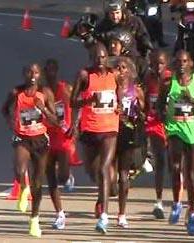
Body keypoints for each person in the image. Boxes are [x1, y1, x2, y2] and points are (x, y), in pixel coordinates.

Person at [158, 50, 194, 235]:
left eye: (185, 61)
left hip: (193, 134)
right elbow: (158, 105)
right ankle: (176, 202)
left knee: (191, 175)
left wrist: (193, 101)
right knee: (174, 167)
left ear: (191, 64)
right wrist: (164, 115)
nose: (181, 64)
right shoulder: (167, 83)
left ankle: (192, 211)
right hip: (175, 131)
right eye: (178, 61)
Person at [1, 63, 59, 237]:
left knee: (38, 183)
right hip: (22, 138)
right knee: (20, 170)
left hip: (41, 141)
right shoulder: (16, 93)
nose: (32, 75)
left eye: (35, 72)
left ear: (39, 74)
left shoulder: (46, 93)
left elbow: (56, 121)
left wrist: (44, 109)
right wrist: (10, 121)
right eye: (29, 72)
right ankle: (23, 187)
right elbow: (4, 109)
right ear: (24, 74)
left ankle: (34, 219)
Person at [69, 43, 119, 234]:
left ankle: (104, 216)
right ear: (91, 58)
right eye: (97, 57)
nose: (101, 61)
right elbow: (72, 102)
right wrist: (87, 101)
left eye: (104, 57)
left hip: (110, 128)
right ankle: (103, 194)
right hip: (89, 129)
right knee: (92, 169)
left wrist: (121, 106)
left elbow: (120, 94)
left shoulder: (114, 75)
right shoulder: (84, 75)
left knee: (105, 168)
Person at [43, 59, 82, 230]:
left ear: (57, 71)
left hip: (64, 136)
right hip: (47, 137)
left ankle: (68, 177)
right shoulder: (41, 92)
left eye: (53, 69)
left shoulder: (65, 88)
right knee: (51, 177)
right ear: (44, 72)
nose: (50, 73)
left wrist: (75, 125)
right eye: (48, 70)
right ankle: (59, 214)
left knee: (62, 176)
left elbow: (77, 105)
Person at [114, 57, 146, 227]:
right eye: (117, 67)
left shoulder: (136, 90)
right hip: (110, 132)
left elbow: (143, 114)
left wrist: (139, 112)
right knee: (106, 172)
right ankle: (102, 205)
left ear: (129, 71)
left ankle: (121, 214)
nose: (120, 71)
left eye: (123, 67)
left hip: (128, 133)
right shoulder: (110, 88)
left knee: (124, 174)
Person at [144, 50, 172, 219]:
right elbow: (146, 99)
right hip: (155, 124)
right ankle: (159, 201)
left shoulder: (172, 79)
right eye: (155, 64)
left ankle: (178, 200)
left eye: (161, 63)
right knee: (160, 161)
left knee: (175, 165)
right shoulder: (148, 78)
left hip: (173, 125)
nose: (158, 67)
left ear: (166, 63)